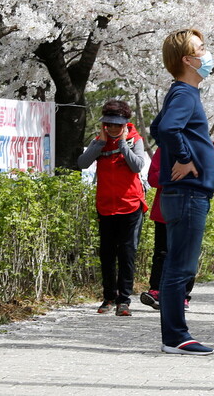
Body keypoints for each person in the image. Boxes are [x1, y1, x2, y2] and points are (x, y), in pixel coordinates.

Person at [150, 28, 214, 356]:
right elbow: (165, 128)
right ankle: (176, 336)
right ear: (188, 60)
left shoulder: (181, 92)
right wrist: (184, 158)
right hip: (188, 192)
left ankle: (174, 334)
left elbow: (156, 126)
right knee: (181, 267)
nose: (207, 55)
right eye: (201, 49)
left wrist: (182, 154)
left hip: (185, 192)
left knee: (179, 265)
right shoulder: (185, 94)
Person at [77, 99, 148, 317]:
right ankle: (108, 297)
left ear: (126, 123)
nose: (114, 128)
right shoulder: (99, 141)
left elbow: (137, 165)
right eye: (109, 124)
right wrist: (100, 142)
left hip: (131, 206)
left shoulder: (136, 140)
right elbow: (82, 163)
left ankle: (123, 301)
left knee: (127, 253)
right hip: (106, 206)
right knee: (107, 254)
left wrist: (123, 143)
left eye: (118, 124)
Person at [139, 148, 195, 311]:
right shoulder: (164, 148)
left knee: (186, 255)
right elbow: (153, 178)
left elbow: (203, 176)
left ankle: (183, 295)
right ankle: (156, 291)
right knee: (161, 253)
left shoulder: (200, 146)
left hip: (191, 209)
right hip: (164, 209)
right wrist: (176, 173)